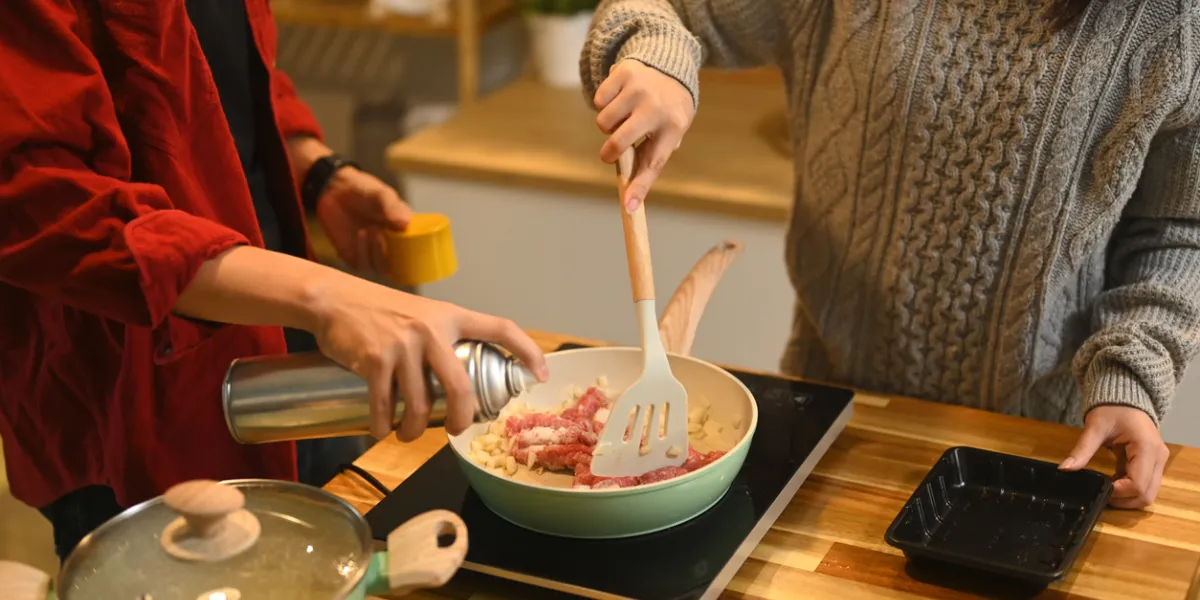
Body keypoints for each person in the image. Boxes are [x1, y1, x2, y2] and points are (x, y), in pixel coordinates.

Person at [580, 0, 1199, 509]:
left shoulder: (1173, 19)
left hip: (1039, 450)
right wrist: (655, 58)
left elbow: (1180, 227)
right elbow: (660, 8)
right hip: (830, 427)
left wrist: (1130, 375)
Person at [0, 0, 548, 561]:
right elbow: (42, 202)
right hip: (130, 391)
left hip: (286, 337)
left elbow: (219, 64)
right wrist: (326, 295)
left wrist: (314, 169)